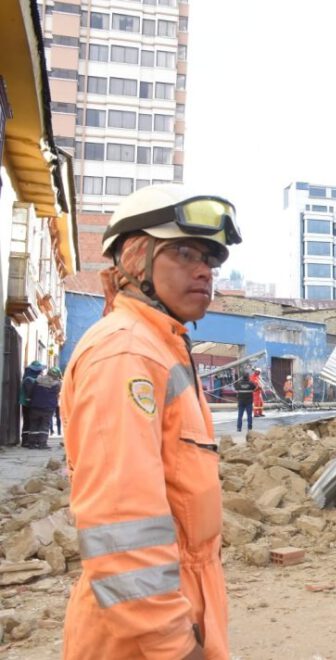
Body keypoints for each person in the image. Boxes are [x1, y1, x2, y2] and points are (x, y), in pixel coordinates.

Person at [61, 184, 240, 660]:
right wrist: (175, 648)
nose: (204, 271)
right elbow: (120, 525)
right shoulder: (126, 353)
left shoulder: (162, 346)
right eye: (183, 253)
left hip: (175, 613)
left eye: (209, 261)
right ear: (137, 261)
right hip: (138, 640)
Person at [23, 367, 61, 449]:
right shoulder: (57, 384)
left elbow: (31, 391)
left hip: (35, 406)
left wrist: (29, 399)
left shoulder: (38, 380)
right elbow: (58, 394)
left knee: (33, 424)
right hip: (48, 407)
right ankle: (42, 444)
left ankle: (32, 443)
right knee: (44, 425)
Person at [18, 360, 44, 446]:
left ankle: (29, 440)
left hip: (30, 403)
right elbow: (30, 392)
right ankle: (25, 441)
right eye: (40, 370)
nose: (41, 372)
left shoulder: (30, 377)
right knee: (28, 421)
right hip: (27, 404)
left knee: (30, 421)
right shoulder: (29, 379)